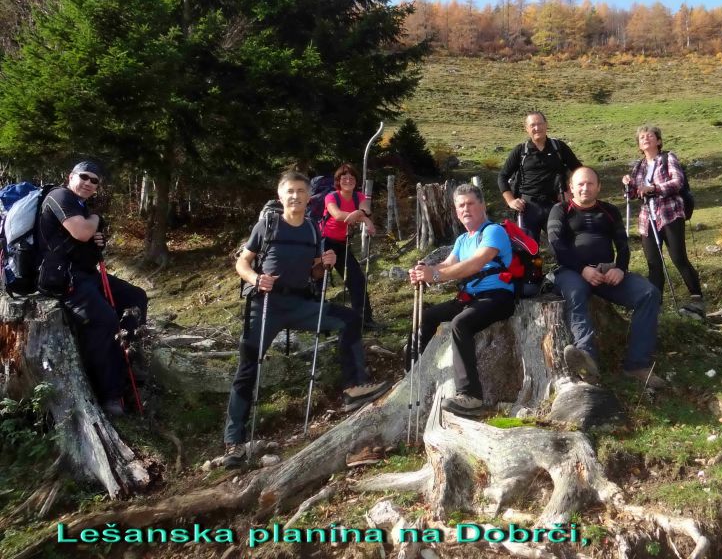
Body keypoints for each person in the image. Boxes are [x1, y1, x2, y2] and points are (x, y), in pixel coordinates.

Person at [224, 171, 389, 467]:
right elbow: (242, 262)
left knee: (350, 319)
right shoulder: (267, 225)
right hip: (266, 305)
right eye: (290, 191)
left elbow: (313, 273)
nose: (295, 196)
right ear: (280, 195)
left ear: (308, 196)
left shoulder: (314, 230)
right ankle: (234, 442)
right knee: (248, 365)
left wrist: (323, 265)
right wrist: (256, 278)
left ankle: (354, 386)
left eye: (301, 191)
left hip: (301, 303)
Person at [37, 160, 147, 417]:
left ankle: (126, 356)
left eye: (94, 180)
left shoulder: (80, 205)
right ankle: (109, 394)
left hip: (86, 274)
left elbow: (86, 238)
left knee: (135, 297)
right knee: (104, 321)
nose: (88, 183)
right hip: (63, 279)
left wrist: (98, 236)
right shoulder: (59, 196)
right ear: (71, 176)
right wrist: (95, 221)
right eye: (84, 177)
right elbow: (81, 232)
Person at [547, 166, 665, 389]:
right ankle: (587, 360)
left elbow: (623, 245)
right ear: (571, 187)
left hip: (606, 273)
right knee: (576, 292)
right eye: (580, 184)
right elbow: (556, 245)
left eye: (590, 183)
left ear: (598, 187)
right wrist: (582, 269)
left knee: (649, 294)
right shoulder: (560, 210)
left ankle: (637, 365)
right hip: (571, 271)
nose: (585, 188)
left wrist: (620, 268)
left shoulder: (609, 210)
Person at [408, 184, 514, 417]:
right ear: (456, 212)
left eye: (470, 203)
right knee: (426, 317)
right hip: (470, 297)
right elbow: (448, 264)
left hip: (498, 296)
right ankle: (411, 374)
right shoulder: (462, 239)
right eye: (460, 206)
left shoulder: (493, 232)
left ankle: (471, 396)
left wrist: (434, 275)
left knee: (461, 323)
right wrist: (425, 270)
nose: (465, 209)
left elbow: (474, 264)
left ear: (482, 206)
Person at [622, 125, 705, 320]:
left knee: (678, 258)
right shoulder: (638, 166)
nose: (646, 139)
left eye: (650, 136)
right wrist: (628, 184)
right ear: (639, 145)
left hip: (669, 214)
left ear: (658, 141)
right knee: (653, 263)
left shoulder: (668, 158)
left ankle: (697, 299)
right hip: (647, 218)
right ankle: (655, 305)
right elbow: (633, 194)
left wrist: (654, 188)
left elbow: (678, 182)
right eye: (642, 137)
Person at [497, 111, 581, 242]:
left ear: (546, 125)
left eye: (540, 124)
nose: (537, 128)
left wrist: (570, 192)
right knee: (528, 251)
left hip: (555, 204)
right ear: (527, 129)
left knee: (563, 244)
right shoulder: (520, 151)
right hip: (528, 206)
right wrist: (511, 201)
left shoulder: (559, 147)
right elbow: (502, 176)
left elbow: (579, 171)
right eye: (532, 125)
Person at [319, 163, 380, 330]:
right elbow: (338, 215)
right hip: (325, 243)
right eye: (344, 178)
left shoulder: (359, 196)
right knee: (319, 281)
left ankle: (363, 321)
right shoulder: (331, 197)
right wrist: (364, 218)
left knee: (357, 280)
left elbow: (365, 209)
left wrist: (363, 216)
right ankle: (317, 319)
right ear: (338, 181)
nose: (348, 180)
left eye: (351, 178)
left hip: (342, 243)